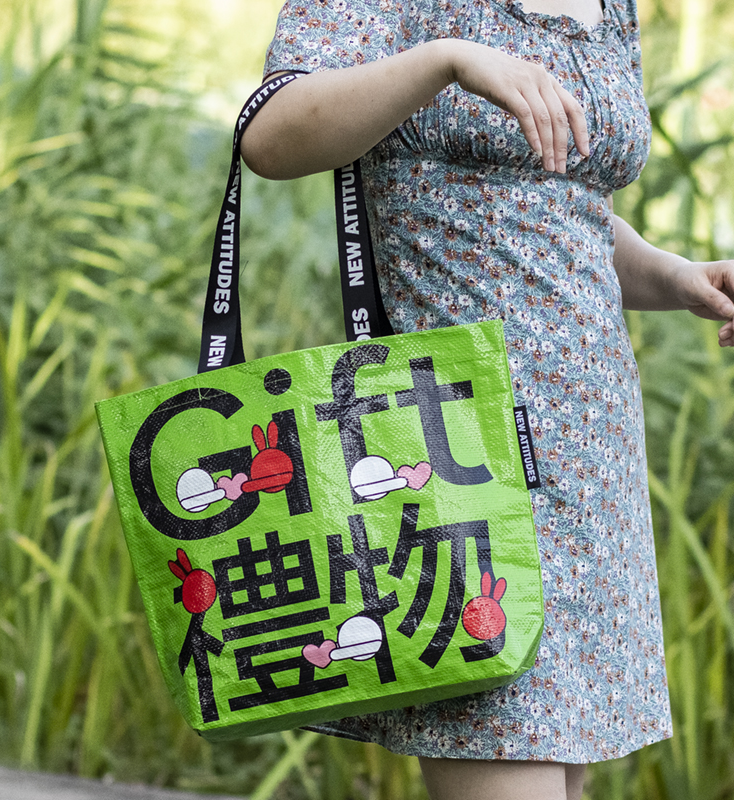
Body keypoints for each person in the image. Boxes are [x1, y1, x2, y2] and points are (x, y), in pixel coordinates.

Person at [240, 2, 734, 798]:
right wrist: (445, 58)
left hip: (588, 457)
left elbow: (559, 208)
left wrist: (674, 276)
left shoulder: (611, 8)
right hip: (457, 457)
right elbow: (270, 134)